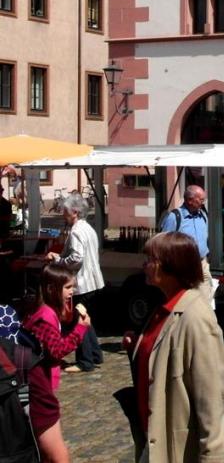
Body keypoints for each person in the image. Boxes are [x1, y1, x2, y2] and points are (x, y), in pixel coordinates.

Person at [124, 231, 224, 463]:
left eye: (151, 260)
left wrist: (212, 456)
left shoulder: (197, 319)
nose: (144, 265)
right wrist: (138, 347)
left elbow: (210, 403)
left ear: (170, 265)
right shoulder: (163, 306)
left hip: (177, 450)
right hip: (153, 440)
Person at [22, 261, 91, 463]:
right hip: (38, 387)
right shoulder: (45, 316)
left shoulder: (47, 311)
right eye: (68, 287)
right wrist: (81, 329)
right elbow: (57, 350)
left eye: (73, 287)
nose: (72, 291)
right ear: (52, 289)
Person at [47, 192, 104, 373]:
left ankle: (85, 361)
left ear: (75, 212)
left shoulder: (77, 231)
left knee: (77, 321)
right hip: (94, 281)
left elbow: (77, 258)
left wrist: (58, 260)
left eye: (66, 211)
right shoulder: (88, 228)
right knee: (85, 318)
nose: (63, 214)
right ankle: (95, 354)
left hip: (83, 283)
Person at [159, 186, 215, 309]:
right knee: (184, 299)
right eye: (201, 199)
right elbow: (164, 243)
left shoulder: (203, 215)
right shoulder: (174, 217)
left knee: (206, 297)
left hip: (202, 263)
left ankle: (202, 317)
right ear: (190, 200)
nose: (203, 203)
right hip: (184, 265)